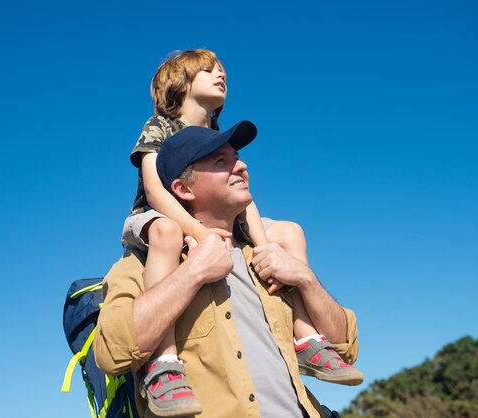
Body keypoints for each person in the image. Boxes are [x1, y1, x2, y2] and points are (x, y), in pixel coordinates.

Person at [123, 49, 362, 417]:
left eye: (223, 72)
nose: (222, 76)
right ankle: (163, 362)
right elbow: (157, 190)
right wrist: (199, 233)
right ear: (180, 82)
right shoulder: (161, 125)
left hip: (216, 219)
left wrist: (266, 249)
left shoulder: (216, 134)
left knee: (290, 231)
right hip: (161, 215)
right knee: (168, 233)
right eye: (209, 71)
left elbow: (244, 202)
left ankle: (307, 337)